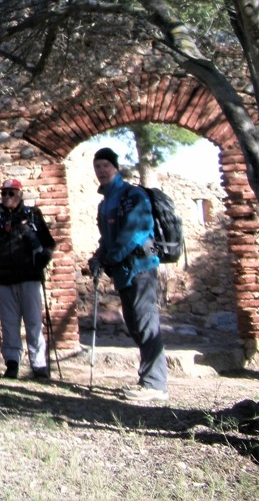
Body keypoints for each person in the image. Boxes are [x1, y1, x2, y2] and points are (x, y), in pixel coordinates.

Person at [88, 146, 169, 403]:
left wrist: (111, 258)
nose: (101, 170)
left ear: (116, 168)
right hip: (123, 272)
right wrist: (99, 257)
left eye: (106, 166)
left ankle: (156, 384)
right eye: (97, 166)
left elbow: (136, 232)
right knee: (135, 325)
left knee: (146, 323)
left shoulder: (132, 195)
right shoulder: (105, 203)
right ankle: (148, 380)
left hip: (141, 268)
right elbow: (107, 239)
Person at [0, 179, 55, 380]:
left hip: (29, 276)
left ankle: (38, 365)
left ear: (20, 195)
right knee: (9, 324)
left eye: (11, 193)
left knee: (34, 322)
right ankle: (12, 363)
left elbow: (48, 243)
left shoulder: (32, 215)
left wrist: (43, 259)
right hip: (5, 278)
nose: (6, 197)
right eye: (4, 193)